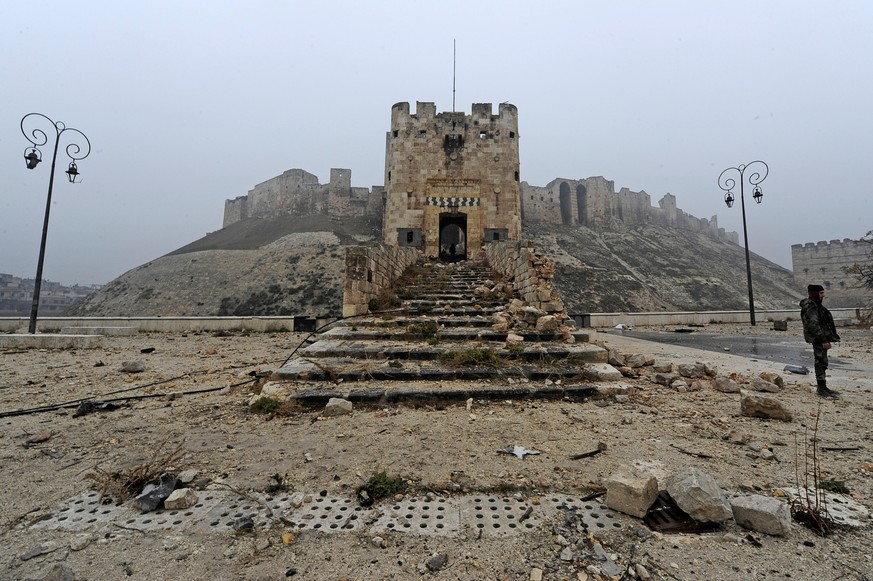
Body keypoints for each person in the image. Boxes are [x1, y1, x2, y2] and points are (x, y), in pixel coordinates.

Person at [800, 284, 841, 398]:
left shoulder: (816, 305)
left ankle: (823, 387)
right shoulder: (811, 306)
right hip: (818, 339)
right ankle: (821, 388)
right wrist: (823, 340)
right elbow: (814, 325)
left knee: (822, 361)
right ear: (815, 294)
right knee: (820, 361)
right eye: (821, 293)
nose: (823, 295)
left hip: (820, 338)